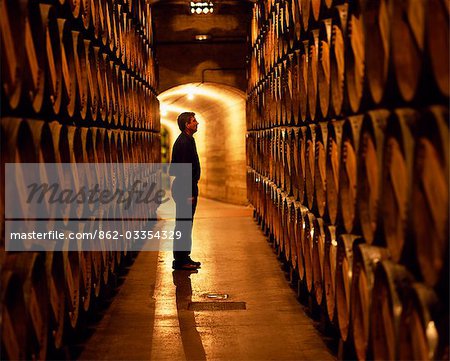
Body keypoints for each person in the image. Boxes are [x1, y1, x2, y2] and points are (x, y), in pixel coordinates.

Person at [169, 112, 202, 270]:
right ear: (187, 125)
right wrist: (188, 193)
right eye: (194, 121)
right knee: (183, 225)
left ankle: (184, 257)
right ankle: (180, 261)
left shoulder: (188, 139)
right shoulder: (183, 142)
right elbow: (182, 171)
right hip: (184, 187)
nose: (197, 123)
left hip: (186, 186)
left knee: (185, 224)